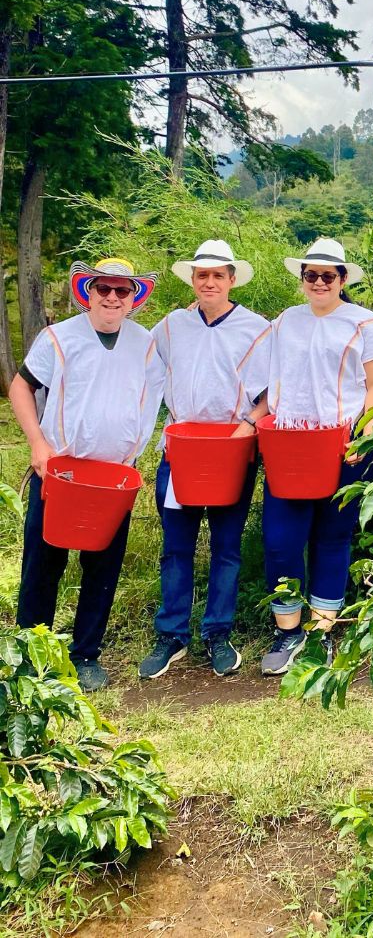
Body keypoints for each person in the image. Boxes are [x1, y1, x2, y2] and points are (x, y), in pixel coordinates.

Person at [11, 259, 166, 692]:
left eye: (122, 291)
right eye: (104, 289)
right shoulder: (60, 337)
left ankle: (85, 654)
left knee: (102, 565)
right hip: (60, 468)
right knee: (43, 562)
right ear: (88, 291)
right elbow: (21, 386)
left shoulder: (146, 343)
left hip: (115, 474)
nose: (113, 298)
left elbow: (156, 394)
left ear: (134, 297)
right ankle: (31, 654)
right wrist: (38, 443)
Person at [244, 239, 373, 676]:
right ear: (302, 279)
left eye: (329, 276)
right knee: (280, 539)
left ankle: (320, 631)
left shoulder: (366, 325)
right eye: (311, 275)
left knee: (332, 536)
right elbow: (272, 383)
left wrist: (364, 436)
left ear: (343, 280)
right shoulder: (285, 322)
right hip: (291, 441)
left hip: (343, 444)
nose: (320, 282)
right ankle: (287, 628)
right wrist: (254, 422)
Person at [138, 241, 271, 680]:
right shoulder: (171, 327)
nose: (209, 282)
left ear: (232, 279)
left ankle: (218, 632)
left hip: (232, 449)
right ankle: (172, 634)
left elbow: (274, 388)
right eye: (202, 275)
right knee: (176, 547)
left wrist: (249, 425)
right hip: (182, 450)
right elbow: (145, 375)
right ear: (192, 280)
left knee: (226, 548)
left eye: (218, 275)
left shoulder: (257, 328)